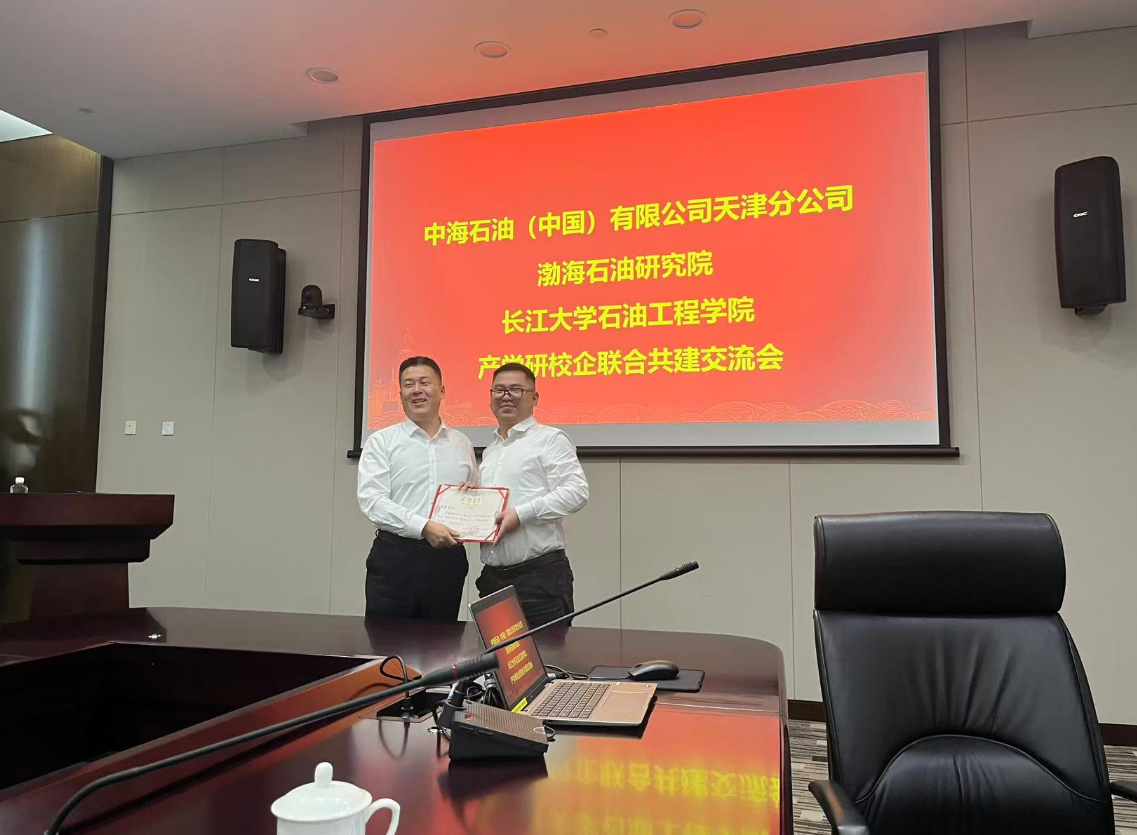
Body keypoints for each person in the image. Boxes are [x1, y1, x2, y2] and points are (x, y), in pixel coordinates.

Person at [357, 356, 476, 620]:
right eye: (408, 384)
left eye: (424, 382)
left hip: (447, 561)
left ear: (442, 390)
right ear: (400, 394)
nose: (416, 390)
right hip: (395, 559)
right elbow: (372, 502)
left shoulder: (462, 443)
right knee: (386, 642)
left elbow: (474, 493)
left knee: (442, 641)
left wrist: (472, 497)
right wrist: (424, 526)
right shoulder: (382, 442)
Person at [475, 362, 588, 627]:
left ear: (534, 397)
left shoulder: (550, 440)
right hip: (493, 581)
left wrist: (521, 514)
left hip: (539, 580)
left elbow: (576, 492)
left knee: (547, 653)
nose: (506, 396)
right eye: (499, 390)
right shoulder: (491, 451)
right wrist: (468, 498)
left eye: (516, 390)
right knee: (499, 654)